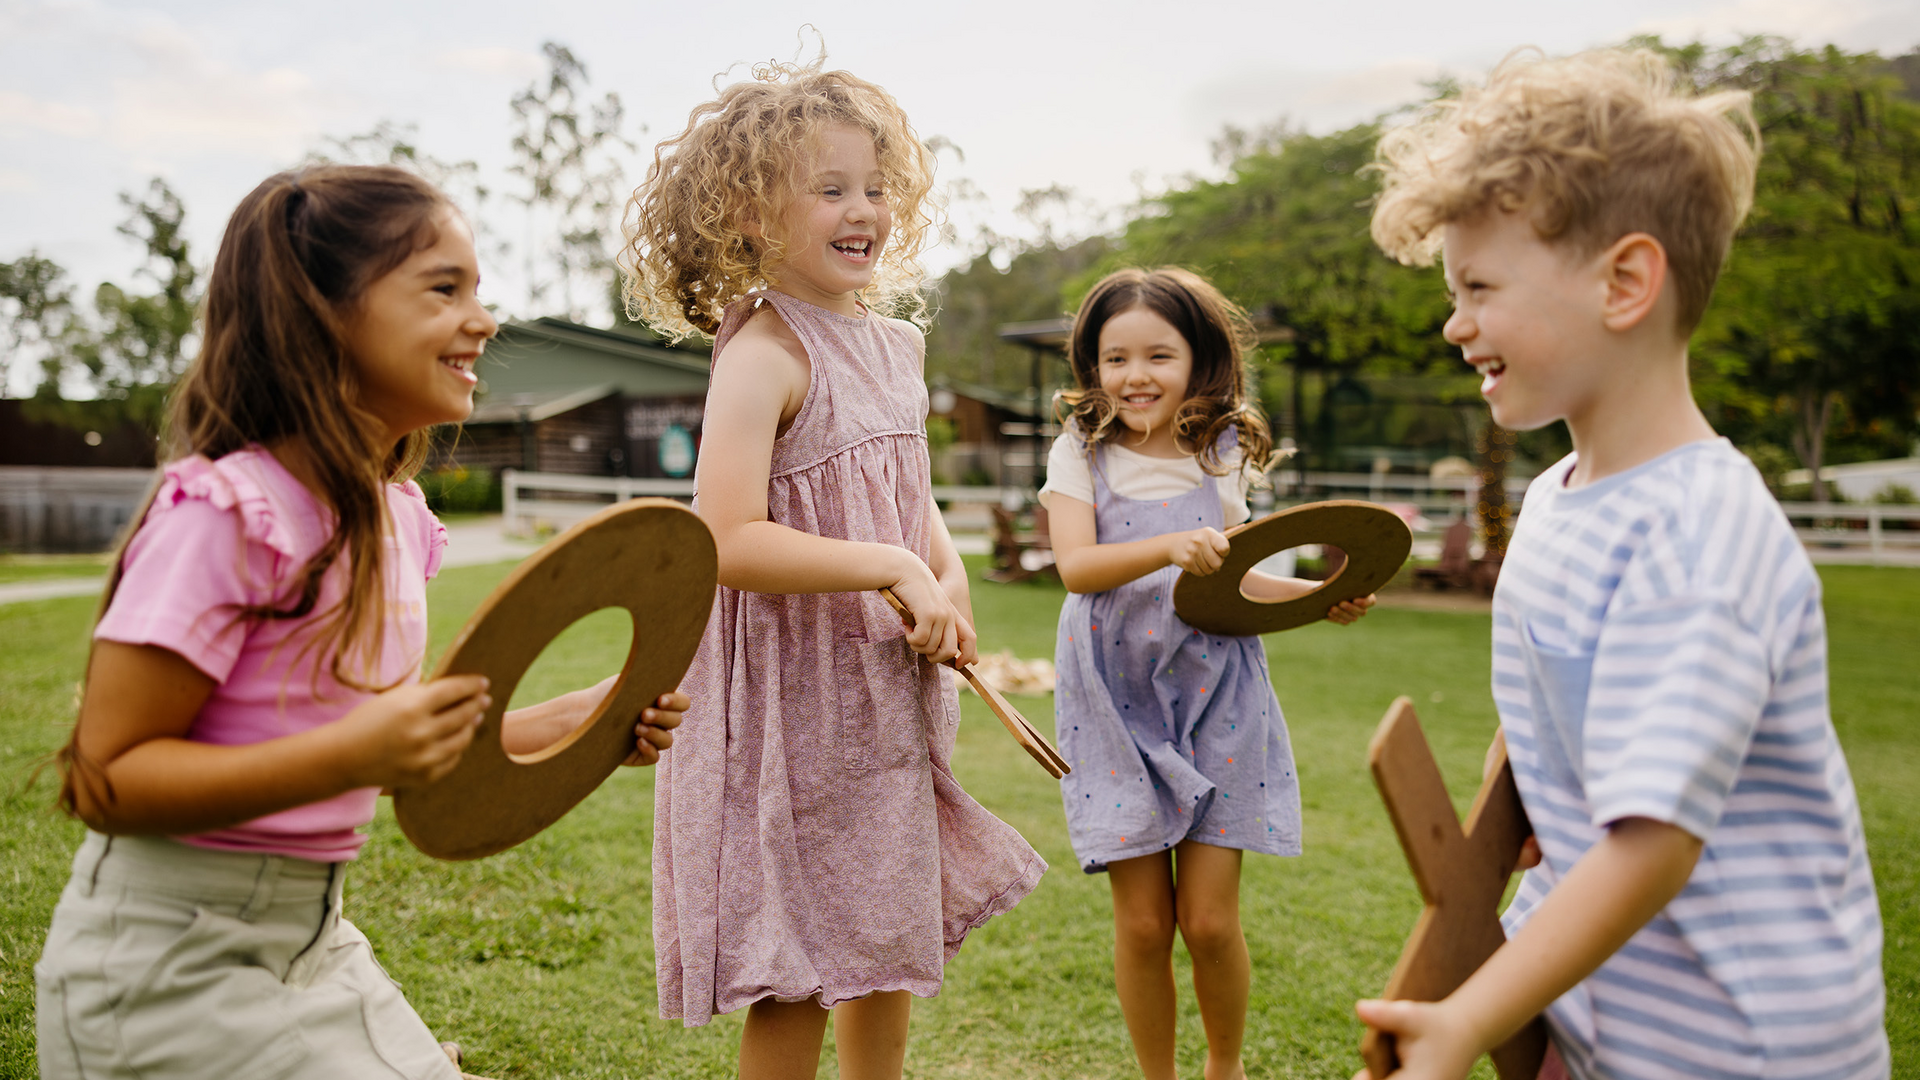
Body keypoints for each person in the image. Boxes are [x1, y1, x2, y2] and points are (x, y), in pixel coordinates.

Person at [34, 164, 689, 1080]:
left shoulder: (396, 521)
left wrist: (582, 724)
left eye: (479, 290)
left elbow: (390, 738)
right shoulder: (226, 515)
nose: (485, 319)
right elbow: (103, 780)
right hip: (166, 968)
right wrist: (351, 757)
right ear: (322, 314)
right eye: (443, 289)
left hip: (318, 943)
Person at [1355, 48, 1888, 1080]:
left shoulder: (1692, 534)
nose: (1455, 322)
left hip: (1743, 1044)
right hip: (1617, 1014)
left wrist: (1471, 1015)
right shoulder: (1563, 502)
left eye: (1478, 286)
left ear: (1626, 282)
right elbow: (1562, 714)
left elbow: (1653, 844)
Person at [621, 59, 1046, 1080]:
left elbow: (913, 498)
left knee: (882, 937)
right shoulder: (764, 354)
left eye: (874, 187)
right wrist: (891, 564)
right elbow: (724, 537)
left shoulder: (896, 347)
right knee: (803, 965)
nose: (864, 210)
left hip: (880, 692)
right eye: (831, 189)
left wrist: (945, 580)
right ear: (749, 214)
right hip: (792, 710)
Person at [1042, 266, 1374, 1080]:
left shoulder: (1219, 452)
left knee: (1211, 923)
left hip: (1215, 689)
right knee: (1147, 925)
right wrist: (1168, 545)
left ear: (1198, 361)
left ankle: (1224, 1071)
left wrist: (1316, 595)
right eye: (1115, 358)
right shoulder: (1079, 452)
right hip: (1114, 701)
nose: (1135, 375)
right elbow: (1078, 568)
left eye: (1158, 354)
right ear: (1093, 367)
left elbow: (1239, 579)